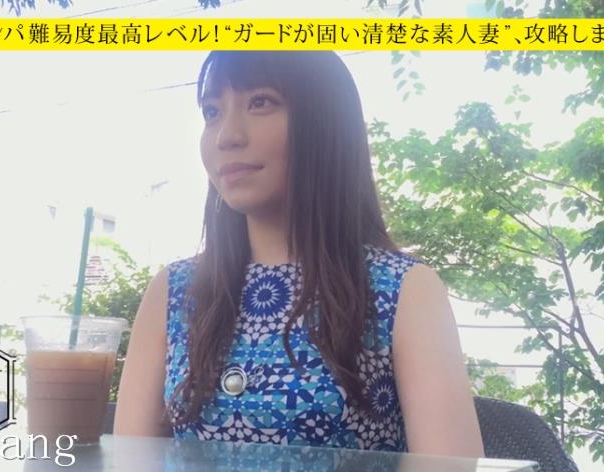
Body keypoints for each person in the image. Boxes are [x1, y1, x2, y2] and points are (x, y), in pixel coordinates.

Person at [114, 51, 484, 457]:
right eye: (212, 111)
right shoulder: (174, 291)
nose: (226, 136)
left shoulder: (403, 289)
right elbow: (130, 462)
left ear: (325, 122)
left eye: (260, 102)